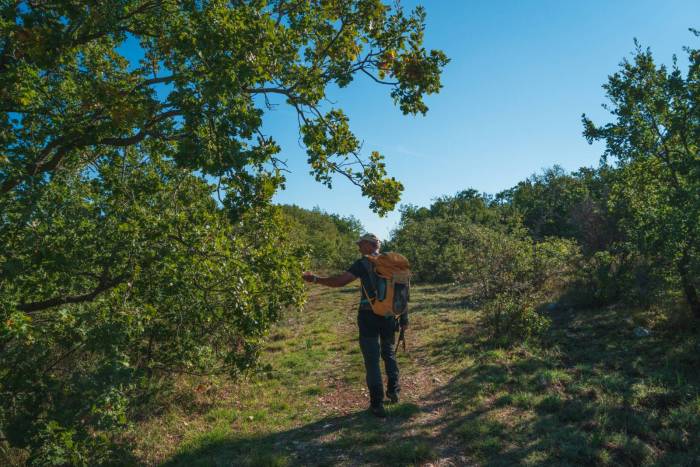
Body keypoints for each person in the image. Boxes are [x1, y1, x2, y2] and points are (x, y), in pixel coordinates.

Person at [302, 233, 409, 418]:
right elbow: (403, 292)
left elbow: (340, 281)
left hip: (368, 316)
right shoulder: (394, 264)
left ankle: (377, 405)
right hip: (390, 315)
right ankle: (394, 391)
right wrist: (404, 318)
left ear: (369, 245)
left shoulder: (364, 263)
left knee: (372, 359)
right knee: (389, 352)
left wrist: (315, 279)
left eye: (361, 244)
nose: (359, 247)